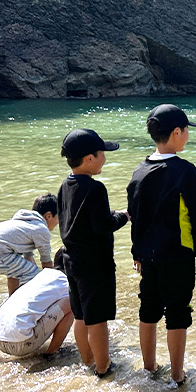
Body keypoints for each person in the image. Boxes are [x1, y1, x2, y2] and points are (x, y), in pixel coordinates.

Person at [127, 104, 196, 387]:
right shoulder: (185, 172)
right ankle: (177, 375)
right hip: (178, 255)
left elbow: (134, 215)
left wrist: (136, 252)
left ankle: (149, 368)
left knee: (148, 309)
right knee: (178, 311)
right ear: (177, 132)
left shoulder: (139, 171)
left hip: (148, 256)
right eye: (187, 131)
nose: (188, 136)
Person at [57, 129, 129, 378]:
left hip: (72, 260)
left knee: (81, 315)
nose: (104, 159)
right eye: (101, 155)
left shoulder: (65, 185)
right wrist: (123, 216)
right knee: (98, 319)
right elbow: (102, 226)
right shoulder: (96, 190)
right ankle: (103, 367)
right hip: (95, 263)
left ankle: (87, 361)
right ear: (89, 158)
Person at [0, 248, 74, 357]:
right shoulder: (65, 282)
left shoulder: (43, 276)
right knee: (71, 301)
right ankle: (52, 352)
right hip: (21, 344)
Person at [0, 193, 59, 296]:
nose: (59, 221)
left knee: (17, 271)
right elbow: (46, 264)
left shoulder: (26, 223)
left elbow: (28, 257)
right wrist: (56, 285)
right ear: (49, 215)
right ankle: (28, 303)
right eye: (59, 217)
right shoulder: (41, 229)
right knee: (33, 275)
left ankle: (11, 300)